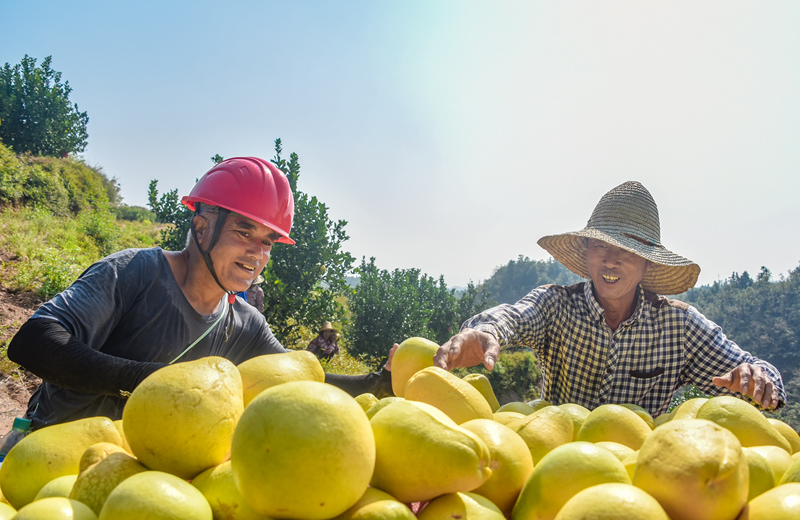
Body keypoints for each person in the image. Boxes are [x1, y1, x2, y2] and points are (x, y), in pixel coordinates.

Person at [8, 157, 391, 429]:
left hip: (137, 483)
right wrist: (154, 381)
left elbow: (301, 380)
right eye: (244, 232)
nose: (257, 254)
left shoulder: (245, 326)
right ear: (202, 226)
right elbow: (34, 341)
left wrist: (378, 382)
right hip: (50, 461)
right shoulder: (134, 272)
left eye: (268, 242)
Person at [434, 181, 785, 417]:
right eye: (600, 246)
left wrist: (757, 379)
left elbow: (760, 374)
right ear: (587, 254)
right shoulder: (556, 305)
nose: (610, 260)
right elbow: (513, 317)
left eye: (626, 250)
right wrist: (487, 332)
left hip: (641, 479)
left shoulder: (680, 327)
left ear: (646, 263)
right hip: (555, 458)